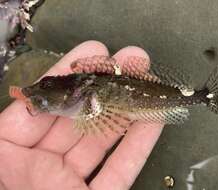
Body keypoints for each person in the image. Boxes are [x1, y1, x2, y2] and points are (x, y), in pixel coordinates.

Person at [0, 41, 164, 190]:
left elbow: (99, 114)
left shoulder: (84, 94)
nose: (38, 97)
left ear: (74, 92)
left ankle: (187, 97)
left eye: (46, 85)